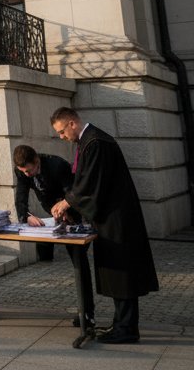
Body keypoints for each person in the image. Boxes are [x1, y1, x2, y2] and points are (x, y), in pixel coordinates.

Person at [49, 106, 159, 344]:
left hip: (117, 220)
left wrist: (67, 203)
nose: (61, 137)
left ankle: (127, 329)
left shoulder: (96, 142)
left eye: (61, 131)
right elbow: (87, 182)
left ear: (72, 124)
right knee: (117, 273)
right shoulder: (90, 140)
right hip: (111, 218)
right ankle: (121, 323)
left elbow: (91, 184)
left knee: (122, 273)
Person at [13, 144, 94, 331]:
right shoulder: (22, 172)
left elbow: (72, 193)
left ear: (36, 161)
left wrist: (66, 210)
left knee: (79, 263)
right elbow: (21, 196)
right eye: (23, 171)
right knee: (72, 262)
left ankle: (88, 313)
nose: (27, 175)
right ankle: (85, 312)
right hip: (54, 216)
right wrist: (26, 215)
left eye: (30, 170)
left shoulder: (57, 165)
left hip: (77, 215)